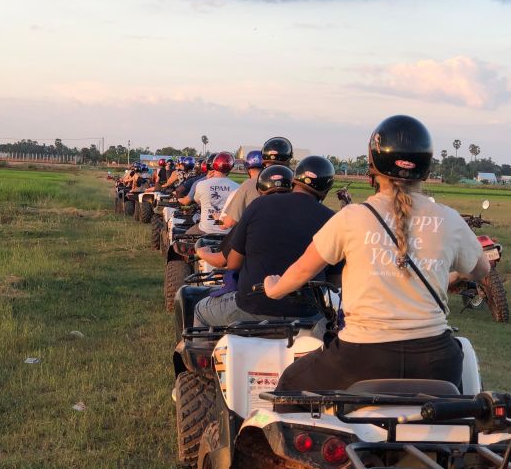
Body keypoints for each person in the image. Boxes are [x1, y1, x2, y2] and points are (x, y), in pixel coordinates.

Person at [264, 115, 490, 391]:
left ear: (372, 165)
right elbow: (481, 270)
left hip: (362, 357)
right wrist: (445, 274)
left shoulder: (351, 218)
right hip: (436, 360)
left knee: (289, 384)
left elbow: (301, 271)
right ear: (426, 169)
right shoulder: (449, 219)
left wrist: (274, 289)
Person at [193, 162, 339, 327]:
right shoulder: (332, 219)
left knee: (199, 310)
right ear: (325, 191)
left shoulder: (259, 205)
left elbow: (233, 263)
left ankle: (203, 352)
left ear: (293, 182)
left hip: (251, 307)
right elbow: (335, 281)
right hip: (308, 315)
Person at [180, 152, 238, 235]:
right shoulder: (237, 187)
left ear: (214, 165)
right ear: (230, 167)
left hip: (205, 229)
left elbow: (198, 201)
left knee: (184, 239)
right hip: (228, 232)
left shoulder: (201, 184)